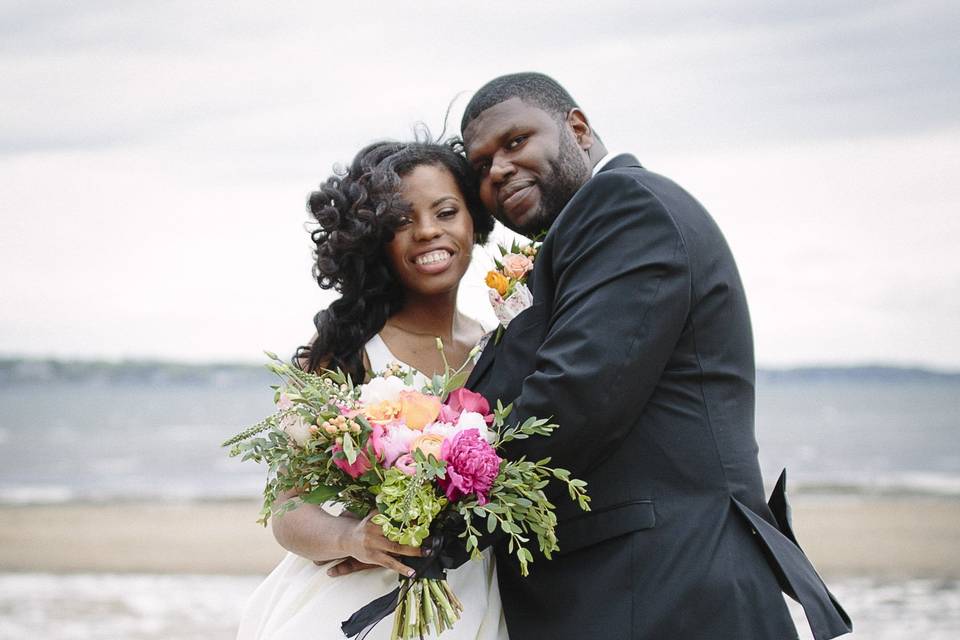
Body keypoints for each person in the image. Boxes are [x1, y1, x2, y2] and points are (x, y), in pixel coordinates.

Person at [454, 72, 853, 640]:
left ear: (578, 128)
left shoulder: (623, 206)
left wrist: (442, 498)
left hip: (665, 589)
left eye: (515, 142)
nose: (496, 169)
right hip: (638, 589)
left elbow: (576, 399)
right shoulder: (587, 232)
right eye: (480, 165)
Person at [236, 140, 508, 640]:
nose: (428, 231)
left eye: (446, 211)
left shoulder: (503, 346)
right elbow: (287, 509)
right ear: (376, 238)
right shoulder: (346, 349)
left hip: (471, 604)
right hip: (353, 605)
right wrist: (353, 536)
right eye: (402, 221)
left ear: (474, 221)